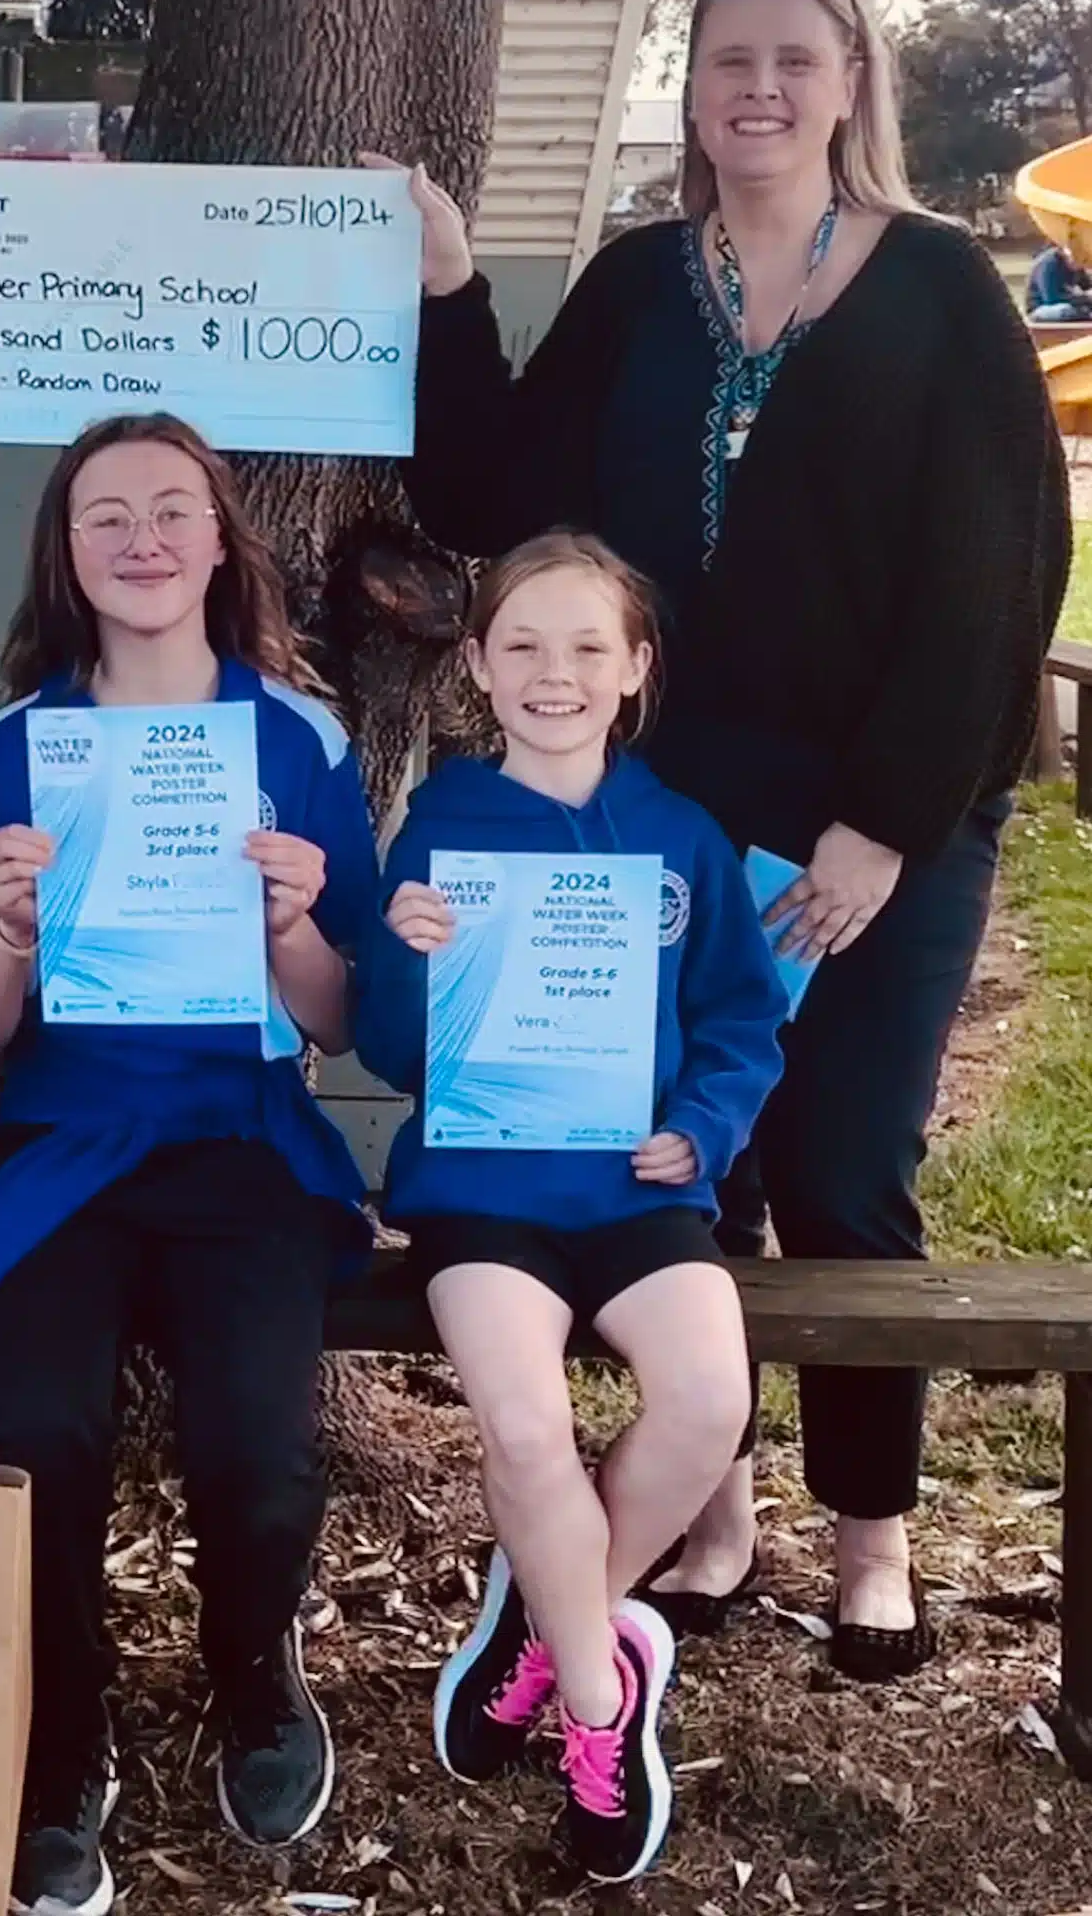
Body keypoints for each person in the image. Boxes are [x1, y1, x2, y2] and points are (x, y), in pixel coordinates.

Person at [375, 0, 1069, 1675]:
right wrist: (447, 287)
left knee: (846, 1160)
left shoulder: (938, 290)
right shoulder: (636, 286)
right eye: (728, 59)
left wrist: (883, 821)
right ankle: (714, 1504)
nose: (759, 88)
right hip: (676, 821)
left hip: (883, 816)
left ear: (849, 84)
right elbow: (490, 491)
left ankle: (873, 1533)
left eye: (793, 58)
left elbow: (995, 581)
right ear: (688, 90)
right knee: (703, 1160)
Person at [0, 414, 379, 1916]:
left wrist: (290, 927)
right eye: (105, 514)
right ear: (65, 552)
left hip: (241, 1137)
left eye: (173, 508)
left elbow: (340, 1019)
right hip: (64, 1144)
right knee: (36, 1431)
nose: (142, 538)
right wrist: (7, 936)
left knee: (256, 1444)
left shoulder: (297, 742)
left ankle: (253, 1665)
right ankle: (65, 1738)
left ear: (222, 539)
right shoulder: (16, 748)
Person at [355, 532, 788, 1884]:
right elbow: (392, 1046)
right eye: (524, 645)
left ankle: (551, 1617)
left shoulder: (681, 837)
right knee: (528, 1426)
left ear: (636, 668)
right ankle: (602, 1703)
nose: (558, 673)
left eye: (590, 646)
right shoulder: (441, 827)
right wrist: (402, 957)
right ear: (479, 669)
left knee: (708, 1399)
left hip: (637, 1187)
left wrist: (701, 1127)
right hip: (486, 1193)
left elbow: (741, 1019)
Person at [1026, 241, 1092, 324]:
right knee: (1065, 310)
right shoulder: (1048, 263)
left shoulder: (1078, 264)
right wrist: (1085, 297)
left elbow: (1087, 286)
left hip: (1069, 303)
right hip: (1042, 308)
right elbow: (1051, 299)